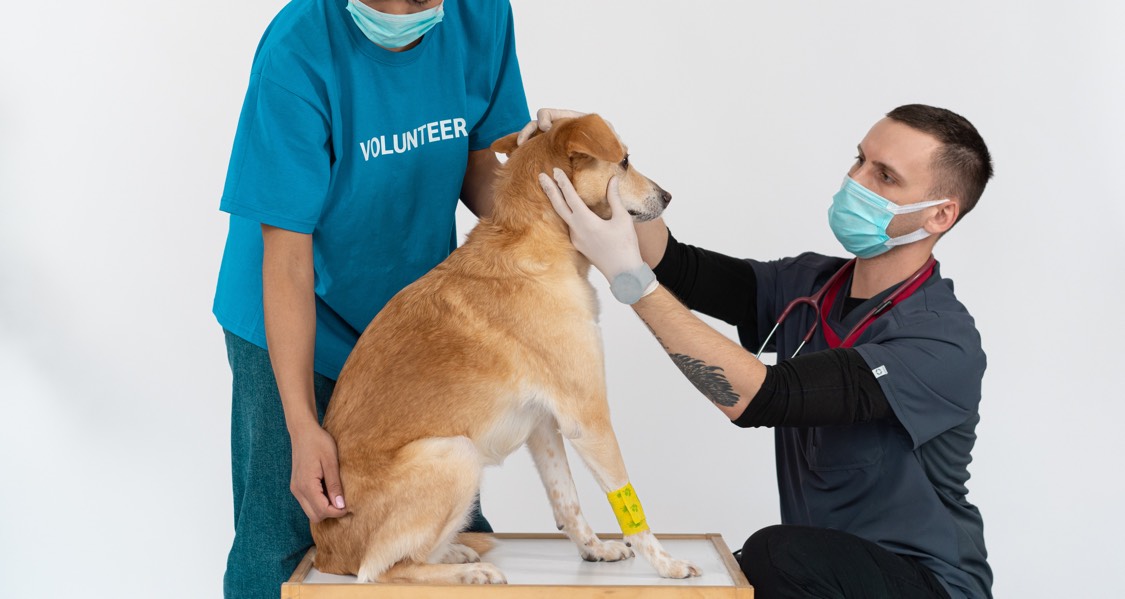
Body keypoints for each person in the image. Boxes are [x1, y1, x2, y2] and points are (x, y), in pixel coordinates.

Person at [534, 104, 993, 598]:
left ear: (941, 213)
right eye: (858, 160)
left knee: (776, 557)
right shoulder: (811, 284)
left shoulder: (941, 341)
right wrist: (610, 171)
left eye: (884, 176)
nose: (855, 181)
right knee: (719, 581)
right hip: (823, 574)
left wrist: (630, 281)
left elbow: (764, 398)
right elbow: (677, 266)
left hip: (927, 585)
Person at [212, 0, 529, 596]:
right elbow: (285, 261)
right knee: (285, 539)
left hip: (409, 321)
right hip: (295, 312)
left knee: (433, 527)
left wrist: (540, 225)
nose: (408, 11)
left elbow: (484, 163)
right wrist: (303, 424)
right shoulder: (298, 49)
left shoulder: (480, 13)